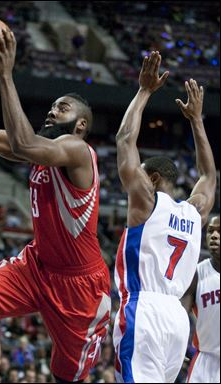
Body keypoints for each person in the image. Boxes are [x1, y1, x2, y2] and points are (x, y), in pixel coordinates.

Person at [0, 29, 111, 384]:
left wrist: (6, 75)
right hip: (37, 266)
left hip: (80, 284)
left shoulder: (76, 149)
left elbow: (22, 143)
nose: (53, 111)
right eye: (52, 106)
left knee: (64, 378)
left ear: (81, 124)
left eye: (62, 108)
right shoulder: (42, 149)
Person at [113, 51, 216, 383]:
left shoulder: (146, 200)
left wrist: (144, 91)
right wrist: (197, 121)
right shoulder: (195, 212)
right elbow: (209, 176)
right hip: (176, 321)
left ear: (152, 179)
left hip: (144, 310)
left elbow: (125, 140)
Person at [181, 215, 220, 383]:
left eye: (219, 231)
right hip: (205, 361)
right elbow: (180, 315)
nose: (214, 235)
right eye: (210, 231)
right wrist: (176, 345)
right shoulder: (196, 273)